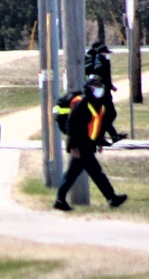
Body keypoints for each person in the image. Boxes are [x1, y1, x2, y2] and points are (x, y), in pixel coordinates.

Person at [52, 76, 129, 212]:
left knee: (74, 174)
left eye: (101, 87)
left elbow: (97, 125)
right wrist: (73, 147)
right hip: (80, 145)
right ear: (90, 89)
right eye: (97, 87)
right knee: (95, 173)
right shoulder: (81, 103)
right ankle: (111, 198)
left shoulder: (98, 104)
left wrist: (99, 142)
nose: (100, 90)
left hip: (88, 144)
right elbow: (71, 126)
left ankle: (60, 200)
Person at [90, 44, 127, 144]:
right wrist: (107, 86)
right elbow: (100, 75)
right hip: (102, 95)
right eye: (106, 53)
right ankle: (106, 136)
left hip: (105, 93)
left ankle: (106, 136)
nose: (107, 55)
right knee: (109, 114)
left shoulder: (103, 62)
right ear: (101, 53)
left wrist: (111, 86)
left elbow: (106, 78)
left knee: (109, 115)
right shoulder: (100, 63)